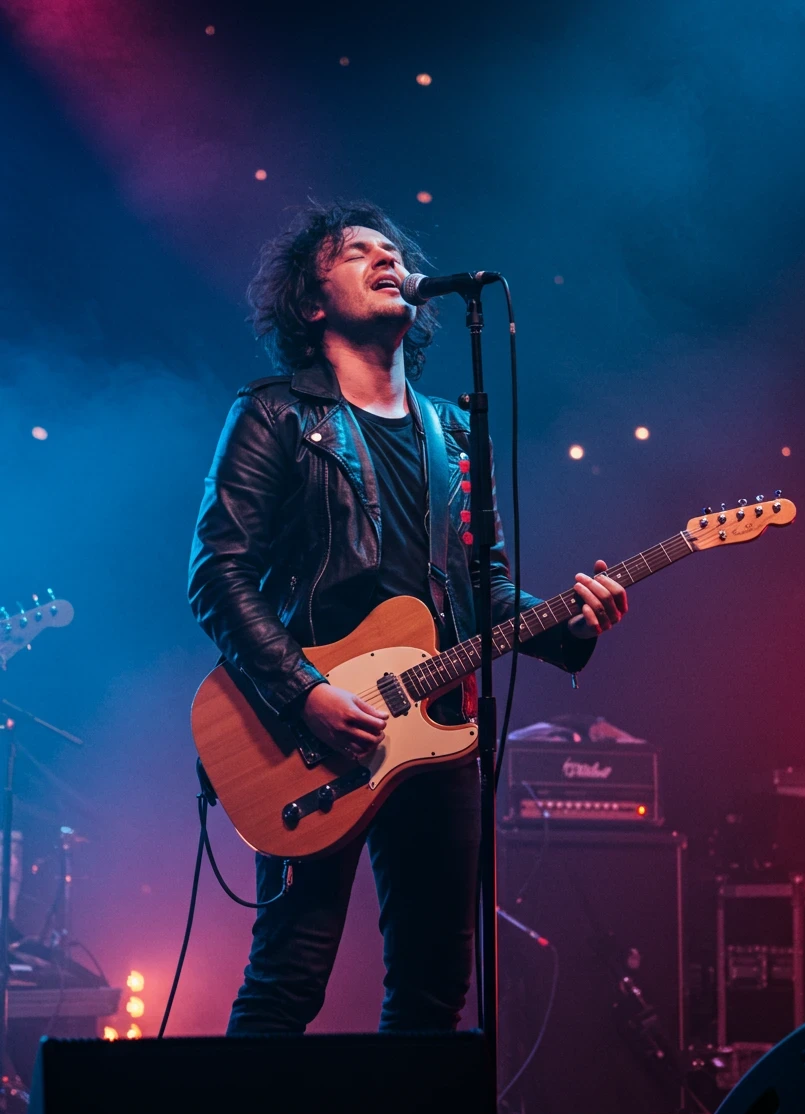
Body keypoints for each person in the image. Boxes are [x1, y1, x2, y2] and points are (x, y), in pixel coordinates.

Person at [188, 201, 628, 1035]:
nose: (387, 258)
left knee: (434, 988)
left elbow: (486, 592)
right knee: (290, 975)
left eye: (393, 250)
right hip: (311, 734)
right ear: (311, 303)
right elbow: (218, 574)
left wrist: (575, 620)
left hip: (441, 731)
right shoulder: (276, 414)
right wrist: (306, 693)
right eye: (358, 252)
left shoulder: (455, 434)